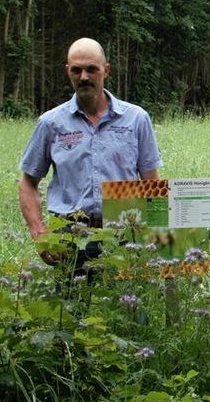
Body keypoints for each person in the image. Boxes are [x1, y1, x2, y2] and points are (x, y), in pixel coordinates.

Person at [19, 37, 162, 269]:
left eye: (91, 69)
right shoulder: (51, 123)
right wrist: (39, 232)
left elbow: (152, 183)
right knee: (71, 304)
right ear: (68, 71)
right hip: (68, 236)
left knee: (121, 304)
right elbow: (27, 182)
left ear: (106, 70)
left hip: (123, 235)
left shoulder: (136, 119)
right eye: (76, 70)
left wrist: (159, 238)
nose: (83, 76)